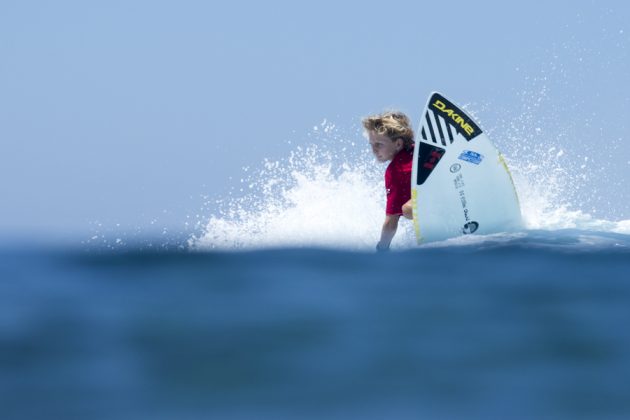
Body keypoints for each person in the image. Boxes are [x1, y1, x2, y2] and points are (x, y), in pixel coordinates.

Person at [362, 111, 415, 251]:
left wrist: (382, 248)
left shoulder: (395, 171)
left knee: (408, 209)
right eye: (371, 144)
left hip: (440, 195)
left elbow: (391, 222)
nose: (373, 150)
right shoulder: (419, 148)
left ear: (398, 144)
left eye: (379, 144)